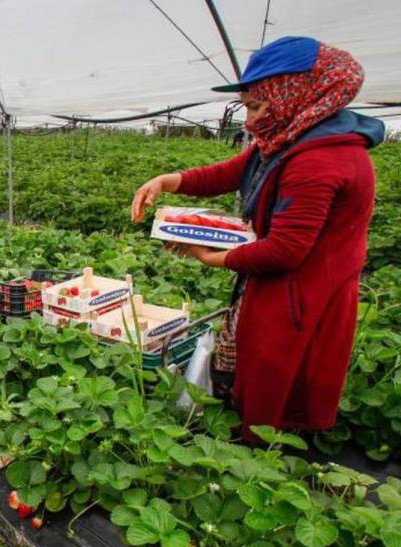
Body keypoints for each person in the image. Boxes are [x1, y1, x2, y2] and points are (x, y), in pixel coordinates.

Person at [130, 37, 385, 440]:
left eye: (255, 105)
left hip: (303, 293)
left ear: (295, 94)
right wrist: (167, 181)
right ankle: (242, 434)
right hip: (276, 284)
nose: (249, 121)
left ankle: (260, 459)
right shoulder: (289, 139)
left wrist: (210, 257)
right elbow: (230, 171)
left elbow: (285, 250)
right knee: (250, 366)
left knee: (277, 381)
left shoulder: (320, 159)